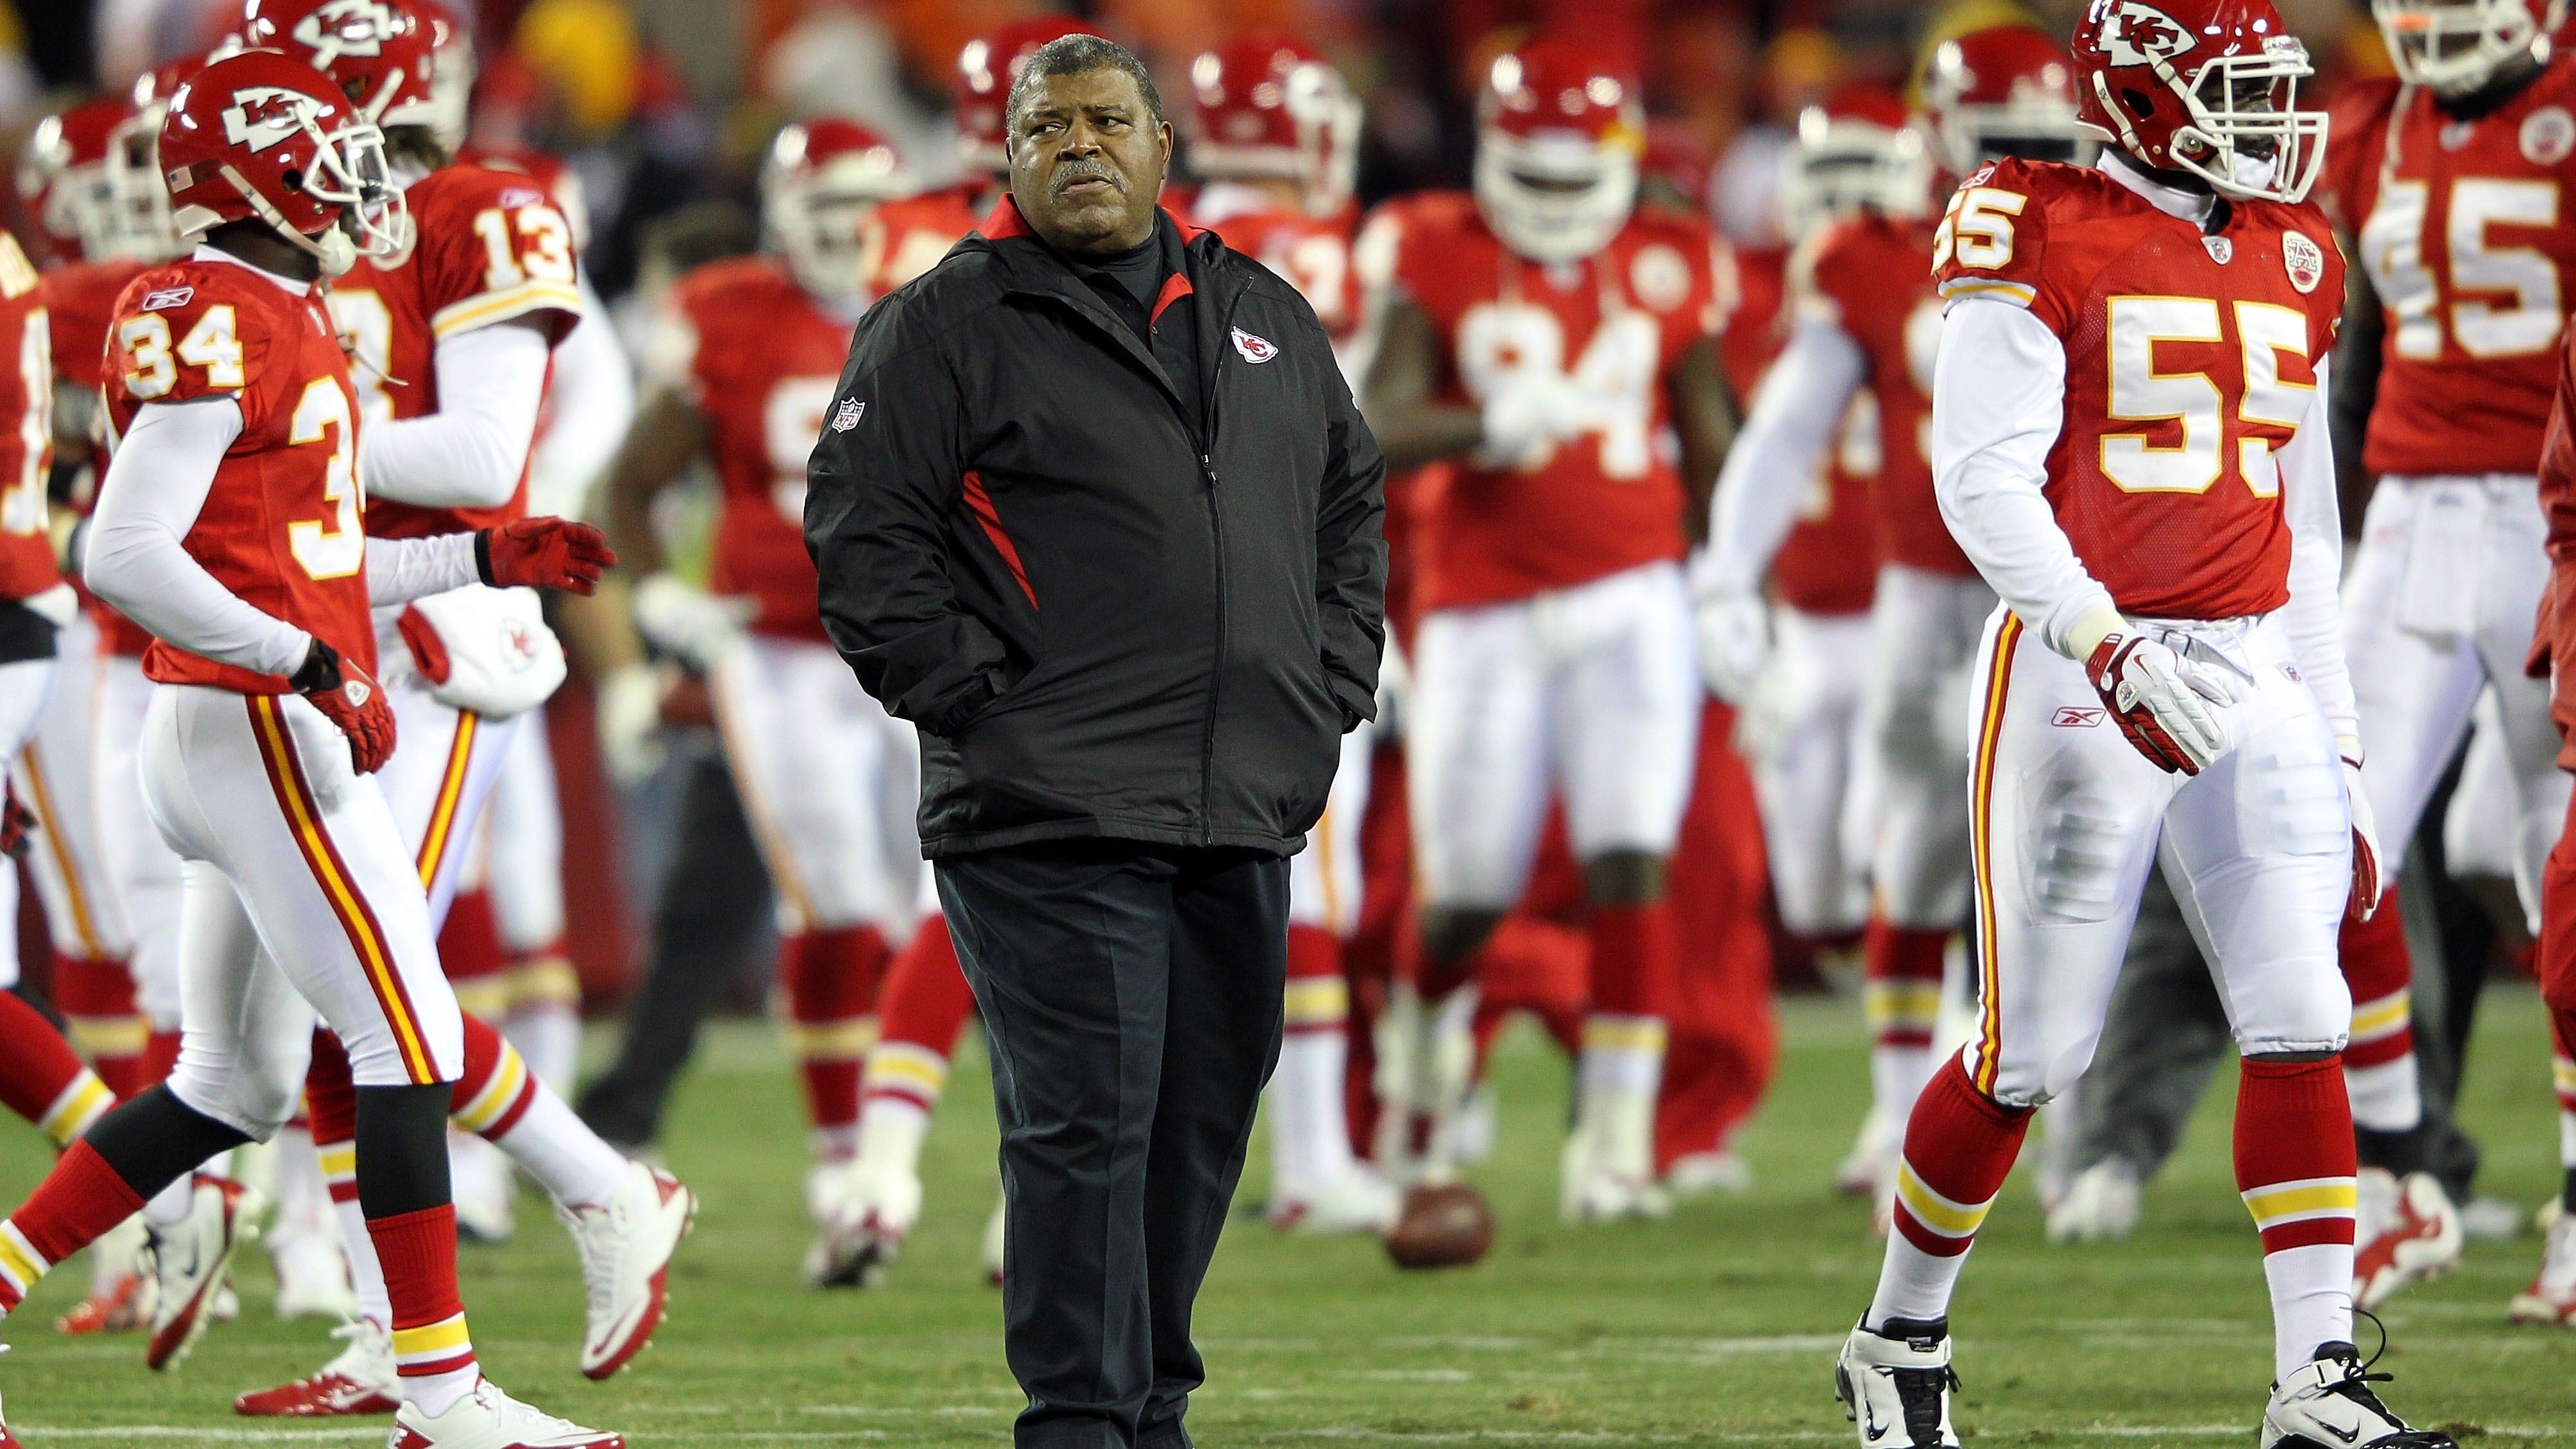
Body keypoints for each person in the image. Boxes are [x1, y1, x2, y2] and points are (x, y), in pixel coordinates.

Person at [1830, 2, 2453, 1445]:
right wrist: (2099, 637)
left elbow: (2304, 527)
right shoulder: (2026, 217)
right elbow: (1979, 478)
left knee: (2300, 1007)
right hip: (2078, 667)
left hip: (2251, 662)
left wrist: (2341, 734)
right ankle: (1896, 1337)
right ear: (2137, 91)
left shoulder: (2297, 252)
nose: (2267, 117)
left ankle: (2314, 1378)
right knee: (2030, 1047)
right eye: (2232, 87)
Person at [0, 47, 622, 1447]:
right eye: (333, 152)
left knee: (229, 1083)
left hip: (226, 726)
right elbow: (127, 550)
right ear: (261, 173)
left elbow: (313, 563)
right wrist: (305, 661)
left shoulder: (269, 309)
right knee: (403, 1039)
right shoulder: (226, 311)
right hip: (260, 726)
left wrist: (479, 549)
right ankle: (444, 1393)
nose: (362, 177)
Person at [806, 32, 1385, 1448]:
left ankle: (1148, 1399)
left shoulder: (1260, 311)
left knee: (1197, 1120)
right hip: (1044, 802)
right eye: (1045, 125)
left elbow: (1346, 502)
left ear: (1158, 147)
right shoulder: (942, 320)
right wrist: (975, 697)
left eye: (1105, 120)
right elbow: (860, 529)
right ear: (1004, 155)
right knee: (1085, 1121)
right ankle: (1076, 1414)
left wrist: (1327, 680)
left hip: (1239, 790)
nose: (1077, 144)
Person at [221, 0, 693, 1414]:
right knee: (334, 995)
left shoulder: (483, 203)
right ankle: (394, 1325)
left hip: (426, 629)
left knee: (369, 995)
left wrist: (280, 445)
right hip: (320, 620)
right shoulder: (292, 234)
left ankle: (598, 1193)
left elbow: (488, 450)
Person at [1356, 38, 1735, 1221]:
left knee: (1634, 853)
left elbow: (1718, 437)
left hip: (1634, 592)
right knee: (1465, 892)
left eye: (1586, 178)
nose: (1563, 205)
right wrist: (1479, 426)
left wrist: (1737, 582)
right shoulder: (1434, 246)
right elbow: (1369, 426)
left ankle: (1614, 1147)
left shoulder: (1673, 253)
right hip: (1483, 606)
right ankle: (1422, 1048)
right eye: (1543, 175)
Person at [597, 116, 918, 1286]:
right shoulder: (730, 312)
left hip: (913, 647)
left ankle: (899, 1152)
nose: (847, 232)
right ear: (782, 214)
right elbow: (631, 482)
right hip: (776, 652)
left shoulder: (939, 300)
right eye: (823, 206)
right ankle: (847, 1173)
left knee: (932, 904)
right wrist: (662, 607)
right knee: (835, 905)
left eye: (863, 206)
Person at [2312, 0, 2576, 1311]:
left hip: (2549, 517)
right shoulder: (2377, 123)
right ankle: (2396, 1172)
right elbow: (2356, 338)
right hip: (2410, 515)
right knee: (2330, 829)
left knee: (2542, 854)